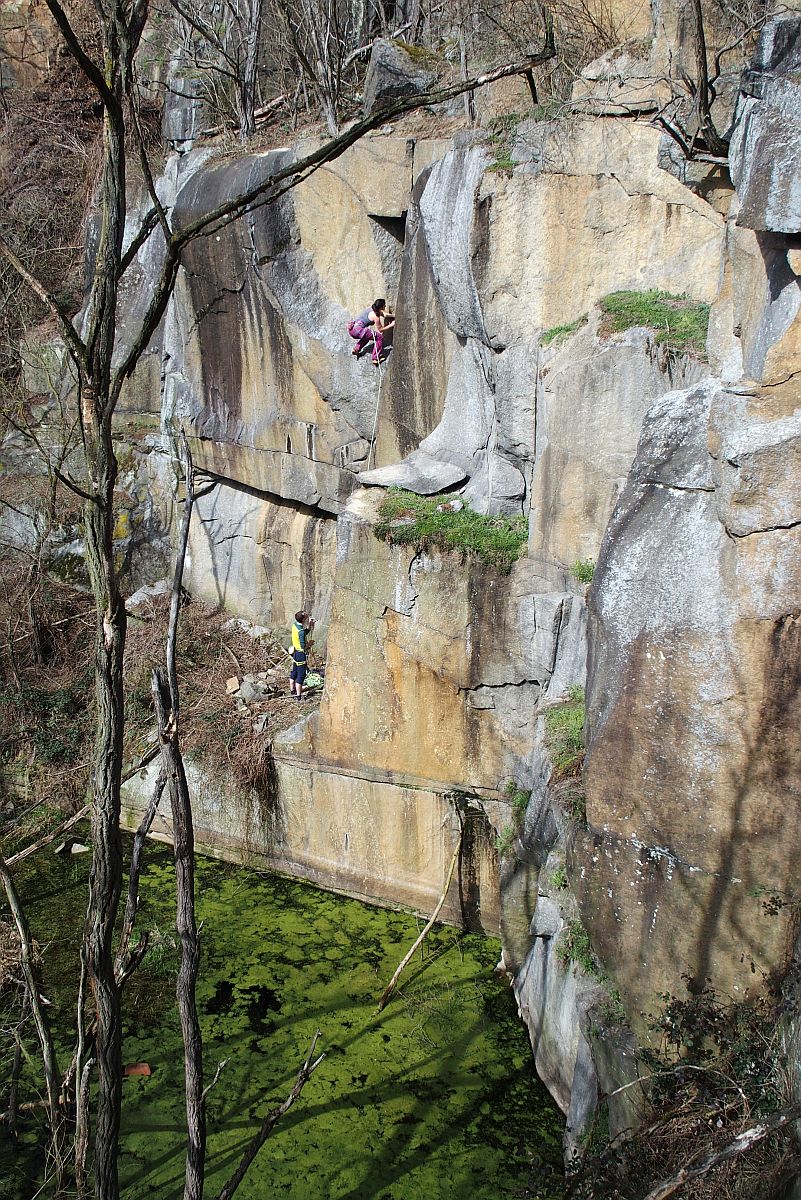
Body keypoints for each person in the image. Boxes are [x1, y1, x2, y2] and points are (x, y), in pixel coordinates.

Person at [348, 298, 395, 364]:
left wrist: (393, 316)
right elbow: (380, 329)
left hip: (352, 329)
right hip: (359, 330)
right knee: (379, 338)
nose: (385, 306)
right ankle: (375, 358)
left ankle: (356, 349)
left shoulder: (371, 308)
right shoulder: (376, 316)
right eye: (384, 305)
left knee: (367, 337)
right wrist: (391, 325)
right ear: (381, 307)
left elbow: (384, 314)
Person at [289, 610, 314, 700]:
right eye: (305, 616)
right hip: (300, 654)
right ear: (303, 619)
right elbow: (303, 646)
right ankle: (298, 695)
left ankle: (292, 690)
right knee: (301, 675)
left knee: (294, 671)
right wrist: (310, 644)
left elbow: (303, 633)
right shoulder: (301, 631)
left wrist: (310, 625)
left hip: (295, 653)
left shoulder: (295, 626)